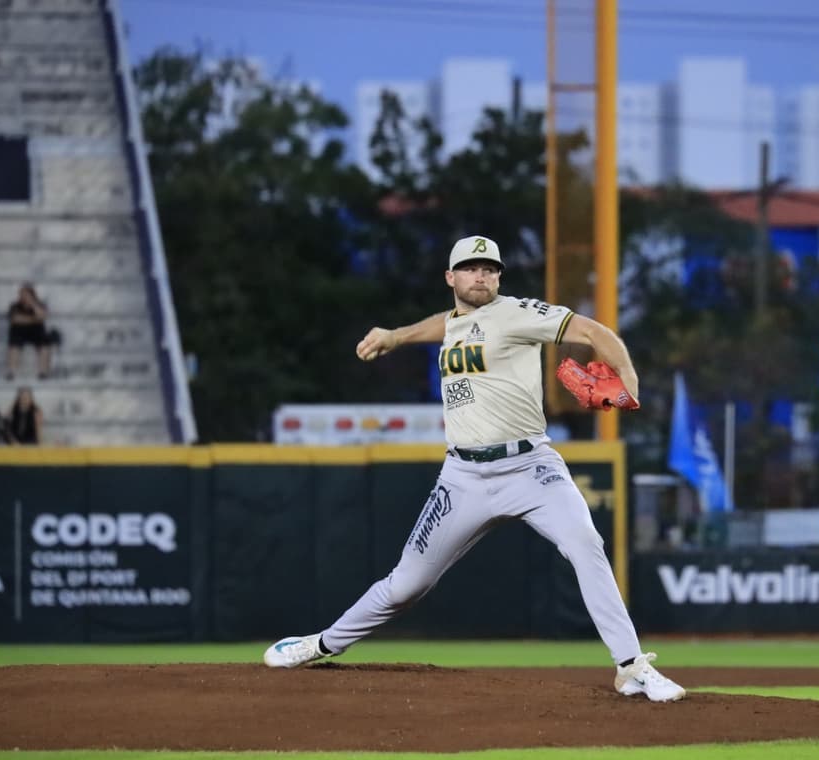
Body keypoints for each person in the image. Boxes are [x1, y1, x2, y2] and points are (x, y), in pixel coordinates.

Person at [263, 235, 686, 702]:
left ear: (499, 277)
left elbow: (592, 332)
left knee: (585, 543)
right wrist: (396, 336)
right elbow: (443, 326)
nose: (481, 275)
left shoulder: (516, 313)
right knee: (406, 586)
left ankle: (630, 667)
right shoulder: (453, 322)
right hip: (463, 477)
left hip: (531, 467)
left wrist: (629, 378)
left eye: (490, 268)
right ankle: (320, 643)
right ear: (451, 277)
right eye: (470, 267)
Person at [7, 284, 51, 380]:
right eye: (22, 294)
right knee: (14, 345)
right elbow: (15, 319)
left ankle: (42, 372)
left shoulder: (40, 304)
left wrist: (33, 305)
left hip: (36, 332)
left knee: (44, 345)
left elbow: (42, 317)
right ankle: (11, 372)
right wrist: (34, 320)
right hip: (19, 332)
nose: (23, 297)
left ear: (32, 295)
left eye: (26, 294)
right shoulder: (15, 306)